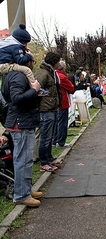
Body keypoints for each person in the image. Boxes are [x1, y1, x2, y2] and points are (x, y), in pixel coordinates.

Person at [1, 54, 42, 207]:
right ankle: (21, 194)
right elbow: (17, 99)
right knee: (23, 159)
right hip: (21, 122)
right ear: (27, 63)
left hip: (21, 120)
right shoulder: (18, 76)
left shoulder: (12, 75)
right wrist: (34, 91)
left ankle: (25, 190)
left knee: (24, 159)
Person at [0, 24, 47, 96]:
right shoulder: (15, 46)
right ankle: (35, 87)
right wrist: (29, 55)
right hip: (6, 65)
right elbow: (20, 60)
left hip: (4, 65)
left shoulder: (8, 42)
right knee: (27, 70)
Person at [35, 52, 62, 173]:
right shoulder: (43, 73)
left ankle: (49, 158)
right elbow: (36, 89)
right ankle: (44, 162)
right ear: (54, 61)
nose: (59, 63)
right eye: (58, 61)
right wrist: (45, 96)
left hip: (52, 108)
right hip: (46, 109)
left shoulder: (51, 72)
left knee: (50, 136)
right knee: (45, 137)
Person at [54, 60, 75, 148]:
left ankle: (55, 140)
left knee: (56, 122)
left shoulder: (54, 75)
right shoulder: (62, 77)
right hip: (62, 102)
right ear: (63, 68)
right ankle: (61, 142)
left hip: (55, 102)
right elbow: (71, 88)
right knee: (62, 122)